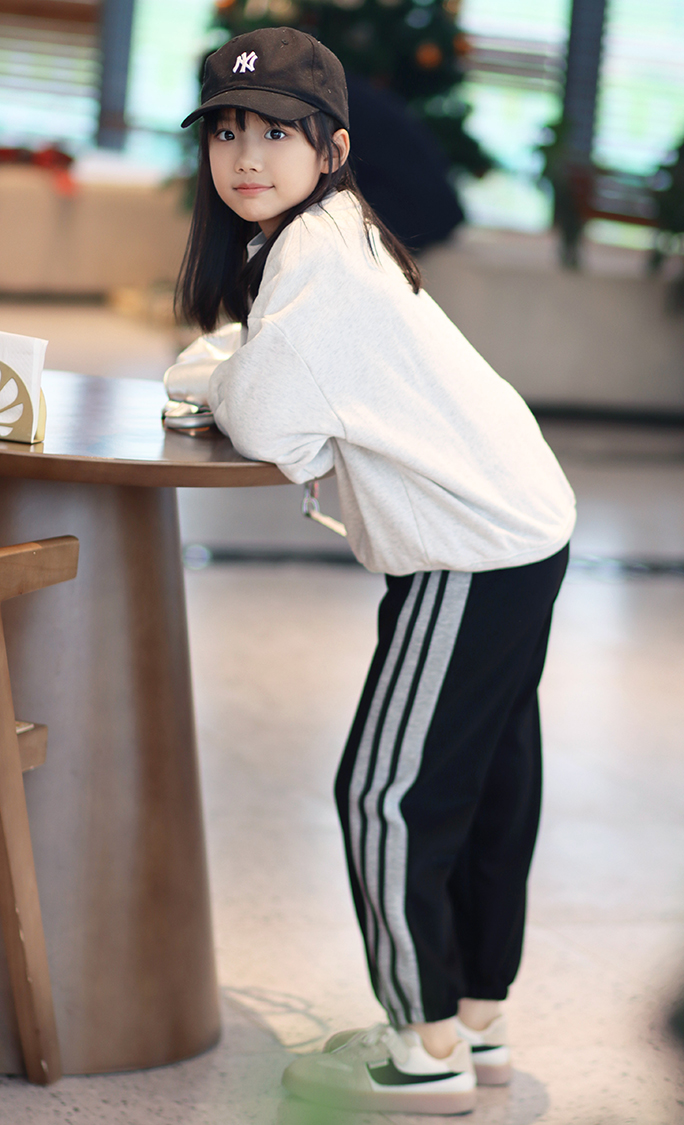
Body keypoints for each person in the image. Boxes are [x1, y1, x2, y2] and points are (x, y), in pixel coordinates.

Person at [173, 26, 576, 1117]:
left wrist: (214, 377)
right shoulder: (329, 237)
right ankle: (474, 1020)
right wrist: (247, 367)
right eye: (225, 131)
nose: (245, 156)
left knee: (385, 793)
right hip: (520, 526)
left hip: (467, 549)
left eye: (275, 133)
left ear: (333, 148)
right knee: (484, 783)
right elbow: (291, 388)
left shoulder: (315, 256)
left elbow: (272, 422)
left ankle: (425, 1048)